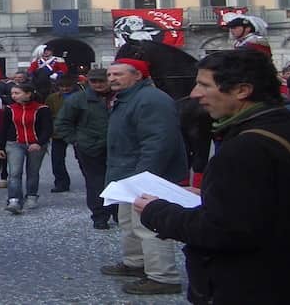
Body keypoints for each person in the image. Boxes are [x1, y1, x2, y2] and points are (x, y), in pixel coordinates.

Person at [135, 50, 290, 304]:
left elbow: (223, 230)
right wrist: (213, 194)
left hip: (254, 282)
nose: (195, 94)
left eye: (204, 85)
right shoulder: (281, 125)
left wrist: (156, 211)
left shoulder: (245, 147)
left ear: (242, 90)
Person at [99, 58, 187, 296]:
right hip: (128, 174)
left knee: (149, 225)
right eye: (110, 75)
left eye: (118, 74)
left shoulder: (151, 99)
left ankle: (163, 276)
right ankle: (136, 263)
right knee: (129, 223)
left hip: (144, 175)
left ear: (138, 75)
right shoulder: (129, 97)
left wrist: (145, 176)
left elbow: (159, 141)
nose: (112, 79)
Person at [55, 68, 118, 229]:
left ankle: (118, 212)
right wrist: (76, 141)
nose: (98, 84)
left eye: (101, 81)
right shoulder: (78, 99)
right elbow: (62, 123)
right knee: (95, 183)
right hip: (89, 148)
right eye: (94, 81)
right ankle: (100, 216)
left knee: (118, 181)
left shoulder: (120, 96)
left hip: (118, 147)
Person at [0, 83, 52, 214]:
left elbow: (47, 129)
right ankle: (14, 200)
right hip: (15, 143)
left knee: (33, 172)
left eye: (17, 93)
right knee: (14, 173)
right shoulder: (10, 109)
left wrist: (39, 143)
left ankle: (31, 196)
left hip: (36, 144)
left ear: (28, 94)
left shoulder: (42, 109)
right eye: (12, 93)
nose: (13, 96)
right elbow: (3, 128)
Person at [43, 74, 80, 193]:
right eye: (62, 86)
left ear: (73, 86)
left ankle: (92, 179)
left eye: (67, 86)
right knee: (57, 160)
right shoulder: (52, 98)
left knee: (82, 158)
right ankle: (61, 182)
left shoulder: (81, 97)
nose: (65, 89)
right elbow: (47, 115)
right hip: (58, 132)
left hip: (77, 131)